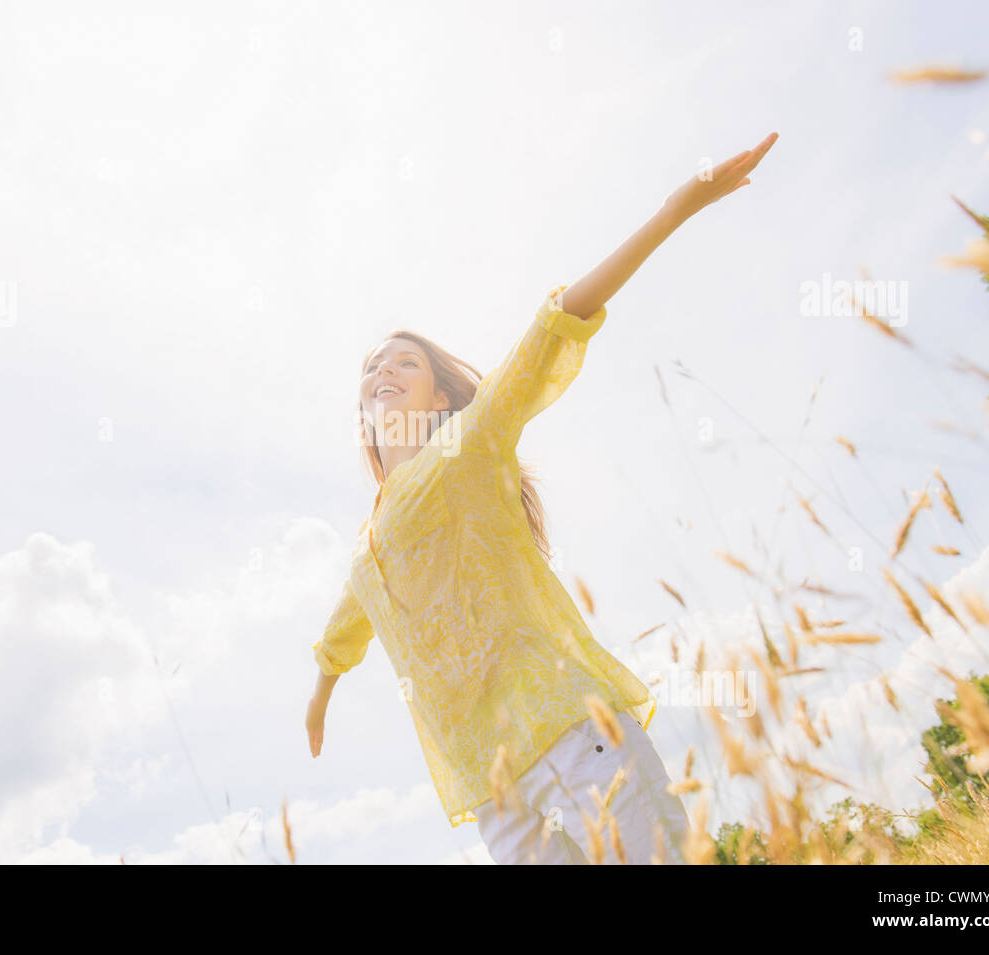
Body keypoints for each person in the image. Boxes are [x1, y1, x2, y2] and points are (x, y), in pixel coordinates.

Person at [306, 132, 779, 864]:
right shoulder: (369, 546)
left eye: (405, 362)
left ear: (437, 392)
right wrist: (321, 692)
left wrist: (673, 209)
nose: (384, 373)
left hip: (572, 733)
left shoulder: (470, 439)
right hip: (497, 793)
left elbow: (552, 326)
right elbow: (347, 625)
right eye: (373, 369)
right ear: (363, 407)